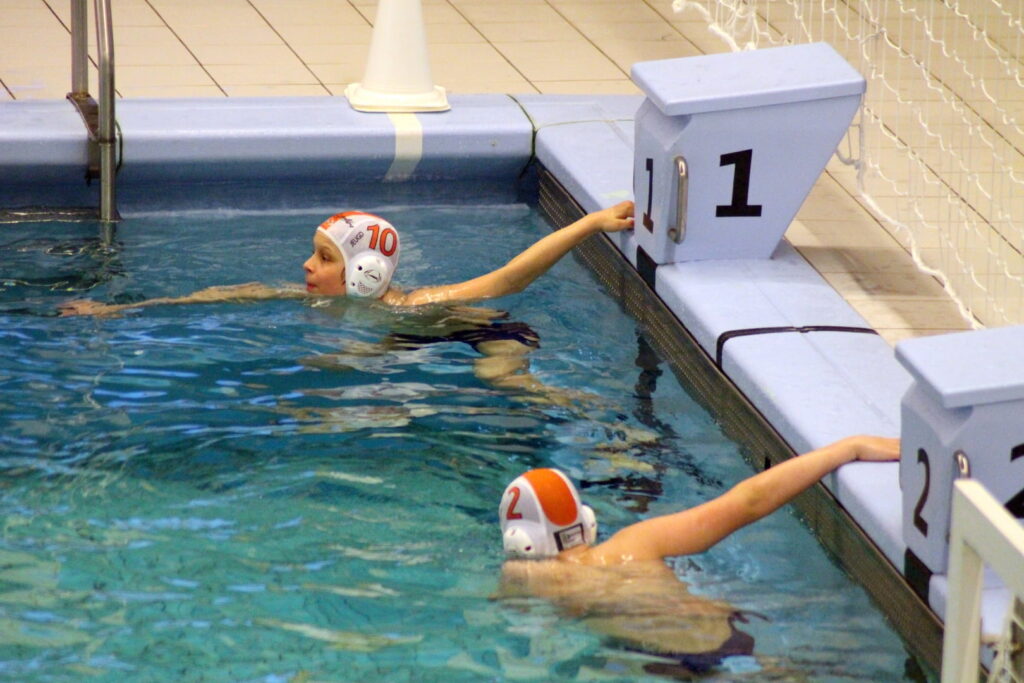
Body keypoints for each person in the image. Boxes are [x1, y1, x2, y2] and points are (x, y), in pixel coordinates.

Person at [496, 435, 899, 675]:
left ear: (520, 541)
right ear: (586, 521)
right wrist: (848, 448)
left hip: (672, 659)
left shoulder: (533, 576)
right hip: (732, 635)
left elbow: (516, 619)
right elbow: (749, 501)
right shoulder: (639, 541)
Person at [58, 201, 635, 316]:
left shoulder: (413, 305)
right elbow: (221, 295)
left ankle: (591, 419)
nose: (306, 267)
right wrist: (116, 312)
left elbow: (510, 279)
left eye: (323, 258)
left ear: (367, 272)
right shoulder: (301, 299)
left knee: (507, 379)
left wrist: (590, 223)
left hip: (477, 334)